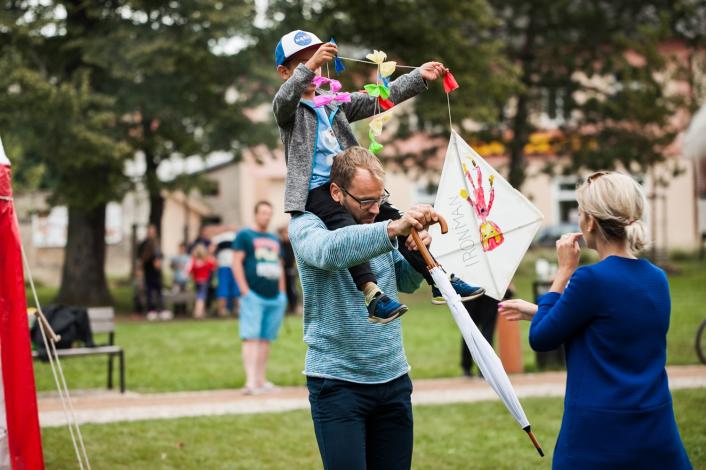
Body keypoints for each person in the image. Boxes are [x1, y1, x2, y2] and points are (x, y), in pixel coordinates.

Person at [273, 30, 483, 323]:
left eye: (317, 63)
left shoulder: (333, 101)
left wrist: (418, 77)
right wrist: (308, 68)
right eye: (302, 64)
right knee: (347, 230)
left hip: (349, 184)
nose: (312, 69)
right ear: (284, 72)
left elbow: (378, 99)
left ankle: (439, 279)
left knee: (398, 219)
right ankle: (372, 294)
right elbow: (283, 99)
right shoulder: (289, 111)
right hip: (316, 191)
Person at [498, 171, 692, 469]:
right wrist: (539, 310)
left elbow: (541, 339)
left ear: (589, 222)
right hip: (654, 432)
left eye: (580, 212)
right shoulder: (657, 278)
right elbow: (613, 325)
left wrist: (563, 272)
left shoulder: (589, 279)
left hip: (600, 437)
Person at [289, 146, 440, 470]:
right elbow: (329, 251)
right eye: (365, 201)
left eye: (379, 198)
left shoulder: (379, 223)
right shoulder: (306, 225)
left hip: (394, 378)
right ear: (336, 192)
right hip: (337, 384)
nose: (374, 209)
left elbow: (406, 281)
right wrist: (390, 230)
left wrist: (419, 251)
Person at [232, 201, 287, 394]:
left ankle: (261, 380)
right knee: (251, 338)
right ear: (255, 214)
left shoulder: (274, 238)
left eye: (269, 213)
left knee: (265, 339)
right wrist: (244, 290)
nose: (266, 216)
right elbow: (236, 262)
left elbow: (279, 266)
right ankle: (250, 382)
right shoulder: (245, 235)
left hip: (274, 297)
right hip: (253, 295)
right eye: (263, 213)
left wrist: (282, 293)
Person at [137, 224, 171, 321]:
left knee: (159, 290)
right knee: (149, 291)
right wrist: (140, 269)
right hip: (148, 270)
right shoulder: (144, 244)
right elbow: (140, 258)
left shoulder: (157, 243)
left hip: (156, 272)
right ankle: (151, 310)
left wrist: (158, 262)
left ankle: (161, 309)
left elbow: (160, 256)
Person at [211, 229, 240, 317]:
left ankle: (223, 311)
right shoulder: (236, 236)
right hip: (229, 266)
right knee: (234, 289)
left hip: (227, 266)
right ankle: (236, 310)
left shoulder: (218, 238)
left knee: (224, 289)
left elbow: (211, 250)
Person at [188, 244, 216, 319]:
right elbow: (213, 266)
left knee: (199, 295)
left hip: (197, 281)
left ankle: (200, 311)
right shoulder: (206, 260)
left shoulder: (194, 261)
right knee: (201, 296)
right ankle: (198, 312)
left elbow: (190, 270)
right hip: (204, 281)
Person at [277, 225, 300, 314]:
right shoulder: (280, 244)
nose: (287, 235)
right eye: (285, 233)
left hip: (291, 270)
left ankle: (293, 306)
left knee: (292, 289)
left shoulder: (292, 244)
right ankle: (286, 307)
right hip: (282, 271)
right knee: (284, 289)